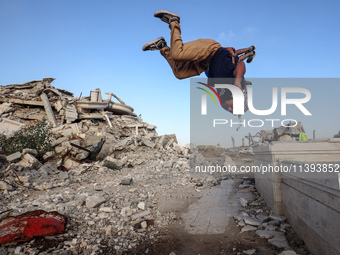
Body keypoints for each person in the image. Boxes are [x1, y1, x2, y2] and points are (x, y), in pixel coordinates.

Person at [142, 10, 256, 113]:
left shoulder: (223, 102)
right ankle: (174, 22)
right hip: (211, 50)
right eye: (232, 108)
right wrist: (237, 81)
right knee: (178, 54)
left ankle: (162, 46)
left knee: (179, 73)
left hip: (204, 65)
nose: (229, 109)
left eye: (231, 111)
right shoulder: (237, 85)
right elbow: (241, 64)